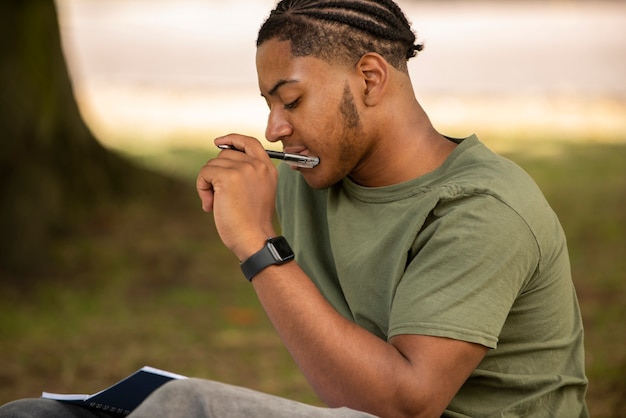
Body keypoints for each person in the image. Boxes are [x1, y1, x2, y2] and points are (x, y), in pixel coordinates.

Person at [0, 0, 588, 417]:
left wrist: (259, 246)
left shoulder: (482, 209)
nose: (274, 128)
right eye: (269, 104)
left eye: (292, 100)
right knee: (30, 413)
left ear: (371, 77)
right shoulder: (314, 179)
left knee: (180, 407)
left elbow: (407, 405)